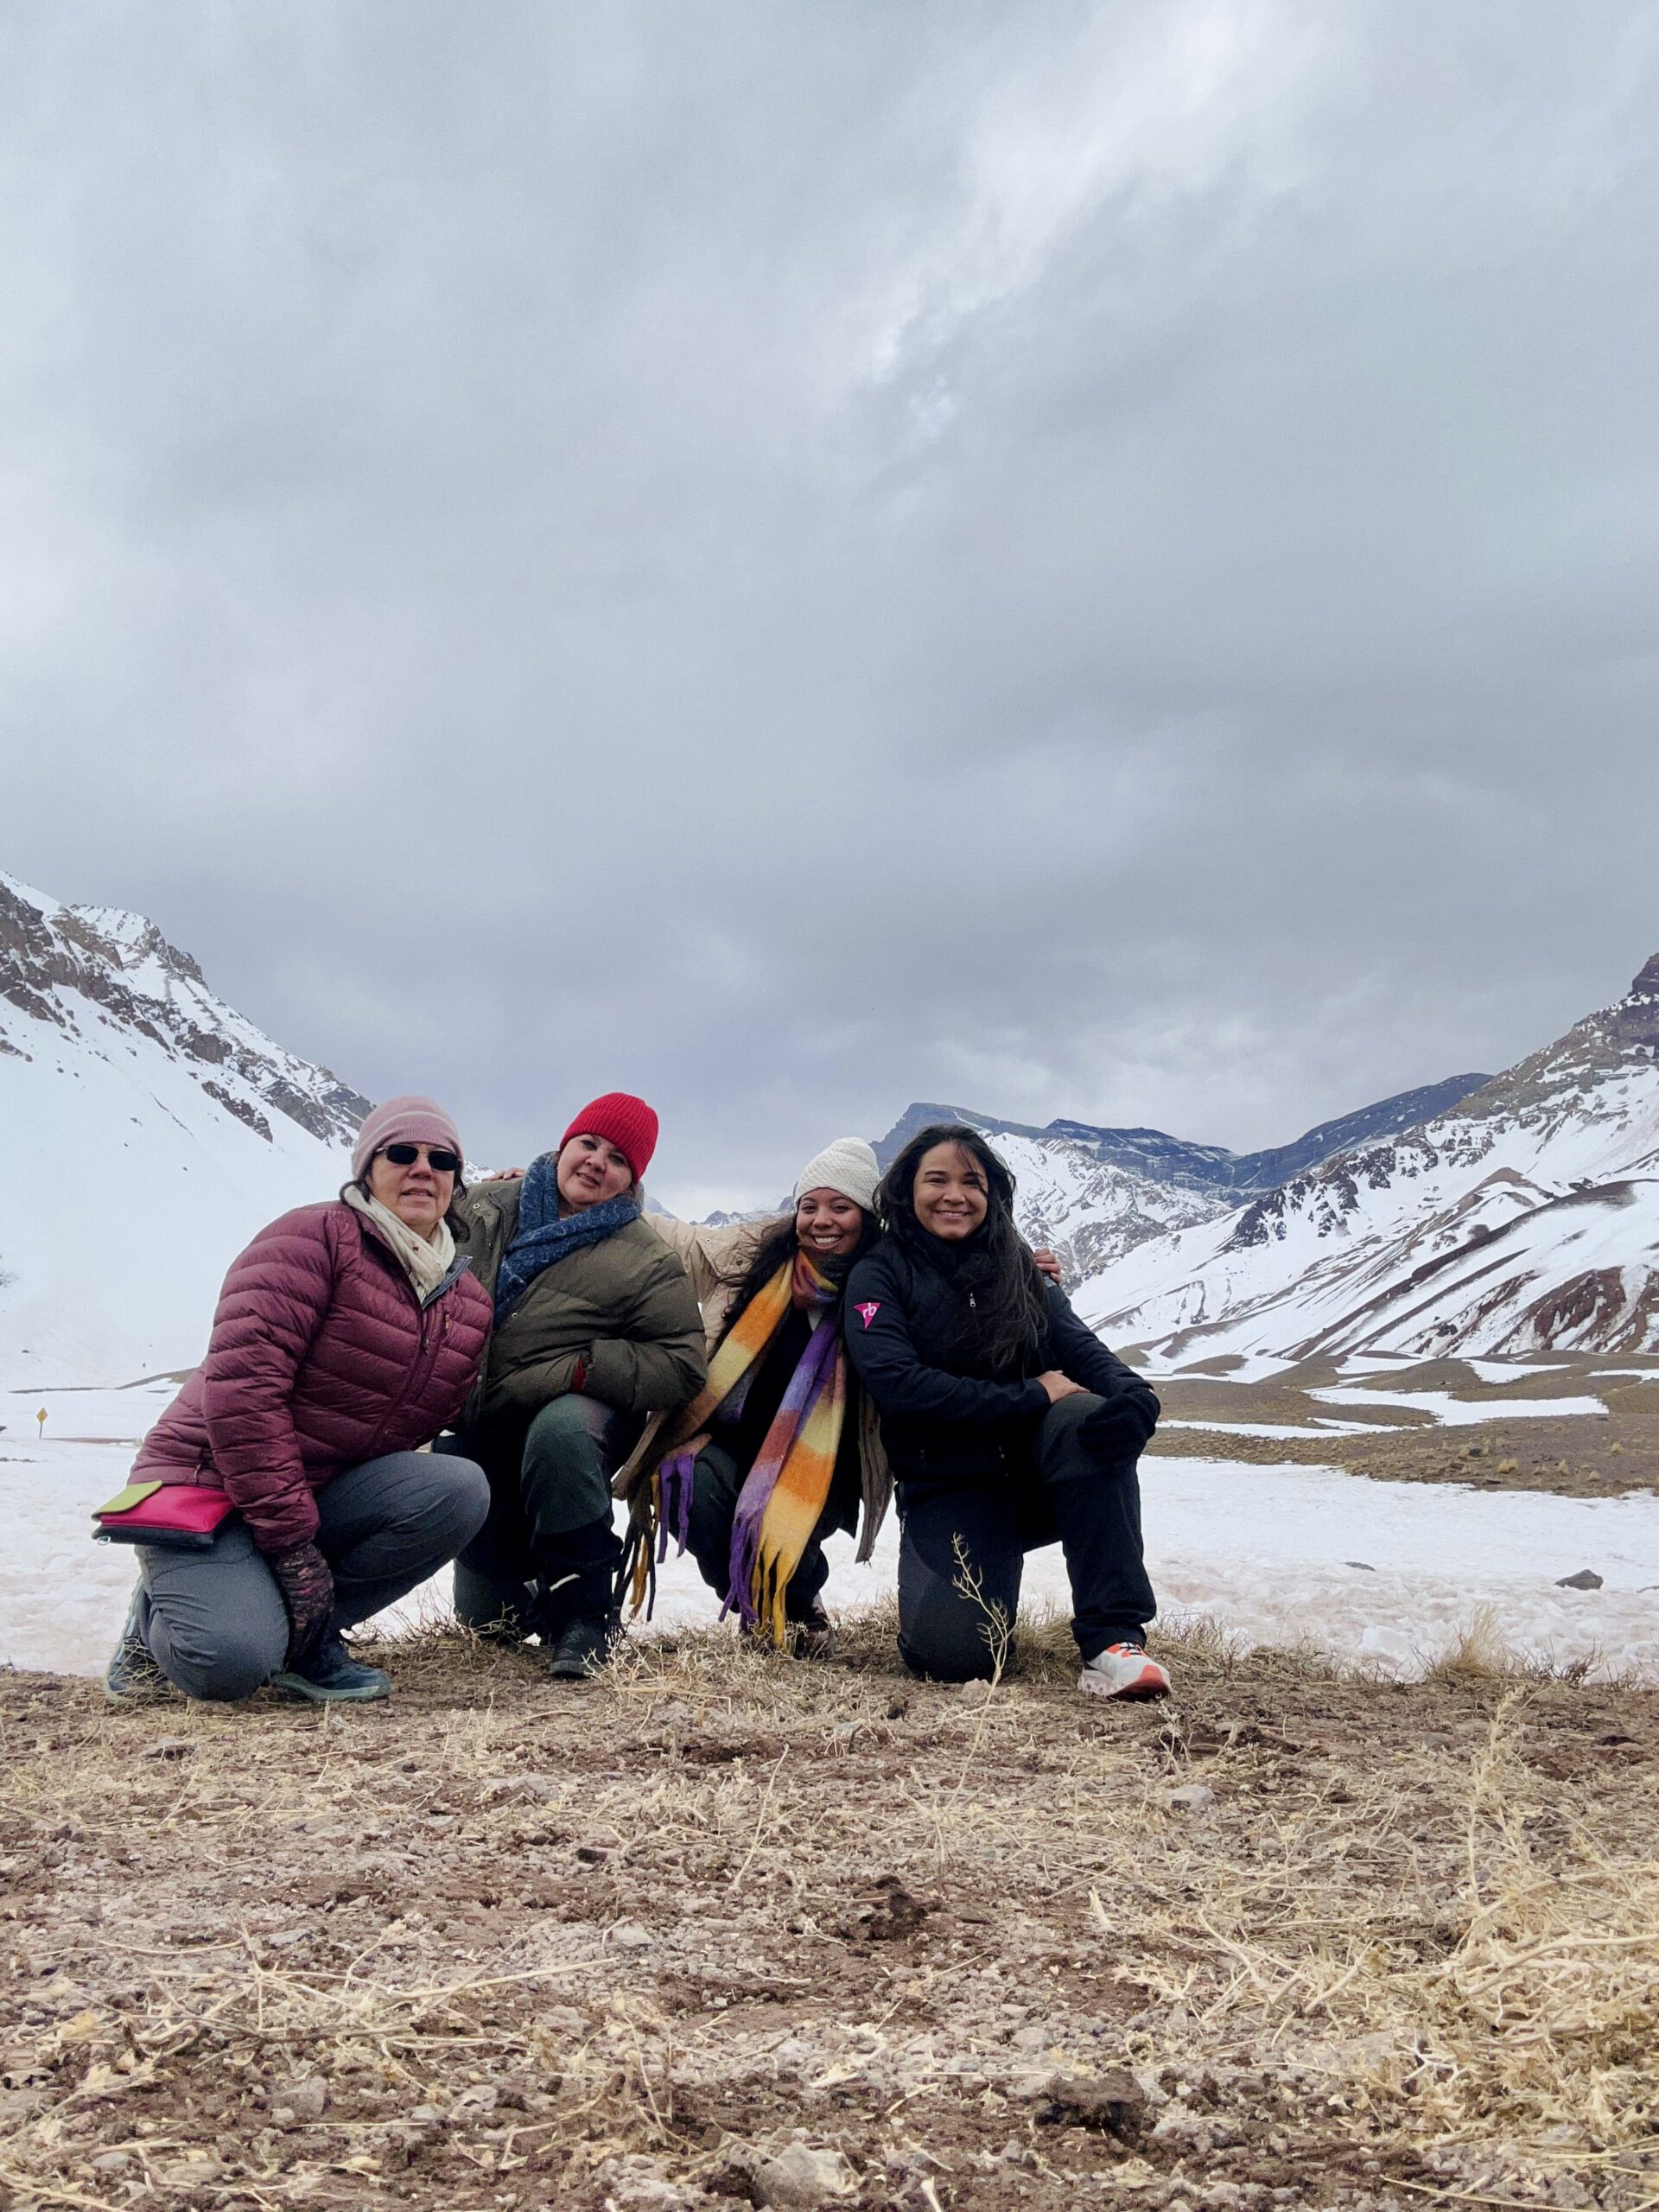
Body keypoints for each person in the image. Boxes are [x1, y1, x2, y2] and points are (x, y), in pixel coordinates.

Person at [105, 1097, 493, 1705]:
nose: (423, 1168)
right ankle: (157, 1622)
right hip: (211, 1485)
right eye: (402, 1153)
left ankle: (306, 1639)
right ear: (367, 1169)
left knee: (458, 1488)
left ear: (456, 1182)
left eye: (441, 1160)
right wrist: (292, 1550)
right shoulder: (308, 1241)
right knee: (228, 1666)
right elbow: (244, 1399)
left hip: (314, 1496)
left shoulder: (466, 1304)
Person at [843, 1122, 1168, 1698]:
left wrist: (1136, 1396)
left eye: (972, 1182)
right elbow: (901, 1386)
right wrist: (1032, 1394)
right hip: (948, 1485)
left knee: (1087, 1418)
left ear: (991, 1193)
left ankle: (1113, 1639)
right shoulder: (879, 1272)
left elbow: (1077, 1345)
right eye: (937, 1180)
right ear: (908, 1189)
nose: (955, 1195)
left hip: (1033, 1475)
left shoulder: (1017, 1264)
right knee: (951, 1660)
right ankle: (978, 1590)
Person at [440, 1092, 706, 1678]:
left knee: (560, 1432)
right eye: (588, 1144)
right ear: (565, 1144)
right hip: (482, 1416)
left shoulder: (645, 1258)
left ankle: (584, 1614)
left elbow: (683, 1363)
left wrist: (584, 1370)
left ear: (632, 1179)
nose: (596, 1162)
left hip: (575, 1419)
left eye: (618, 1159)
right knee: (489, 1622)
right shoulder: (484, 1206)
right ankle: (528, 1586)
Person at [616, 1139, 892, 1651]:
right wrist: (599, 1192)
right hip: (731, 1442)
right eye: (809, 1206)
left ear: (867, 1216)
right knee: (683, 1484)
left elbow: (953, 1273)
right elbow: (676, 1239)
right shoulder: (756, 1259)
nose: (821, 1220)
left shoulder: (886, 1281)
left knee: (777, 1521)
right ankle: (764, 1606)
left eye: (840, 1207)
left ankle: (796, 1597)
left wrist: (1023, 1269)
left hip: (822, 1466)